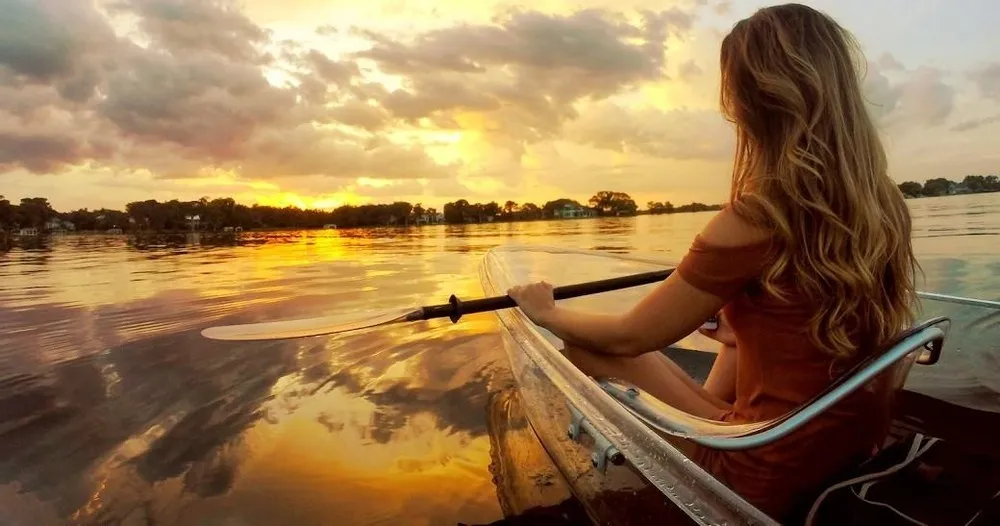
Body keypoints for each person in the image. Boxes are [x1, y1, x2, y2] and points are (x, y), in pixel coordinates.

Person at [507, 3, 919, 521]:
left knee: (579, 350)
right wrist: (744, 328)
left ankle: (658, 468)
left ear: (748, 101)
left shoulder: (759, 215)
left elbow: (631, 336)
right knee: (730, 340)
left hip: (762, 468)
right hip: (843, 450)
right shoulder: (885, 204)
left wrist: (544, 310)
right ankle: (708, 417)